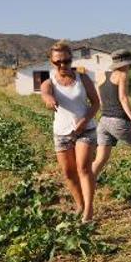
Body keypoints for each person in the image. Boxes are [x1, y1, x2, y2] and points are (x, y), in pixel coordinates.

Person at [40, 40, 100, 223]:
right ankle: (80, 204)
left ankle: (88, 211)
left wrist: (85, 120)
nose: (62, 65)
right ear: (51, 62)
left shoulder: (83, 79)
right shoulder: (49, 82)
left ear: (71, 60)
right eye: (58, 62)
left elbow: (96, 103)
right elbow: (45, 93)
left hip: (85, 130)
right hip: (61, 133)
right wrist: (49, 99)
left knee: (83, 168)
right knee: (68, 173)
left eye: (66, 61)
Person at [91, 50, 131, 179]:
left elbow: (100, 99)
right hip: (118, 121)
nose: (130, 67)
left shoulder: (100, 75)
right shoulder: (122, 75)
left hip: (103, 121)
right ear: (125, 64)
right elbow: (123, 98)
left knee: (100, 159)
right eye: (129, 64)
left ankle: (86, 182)